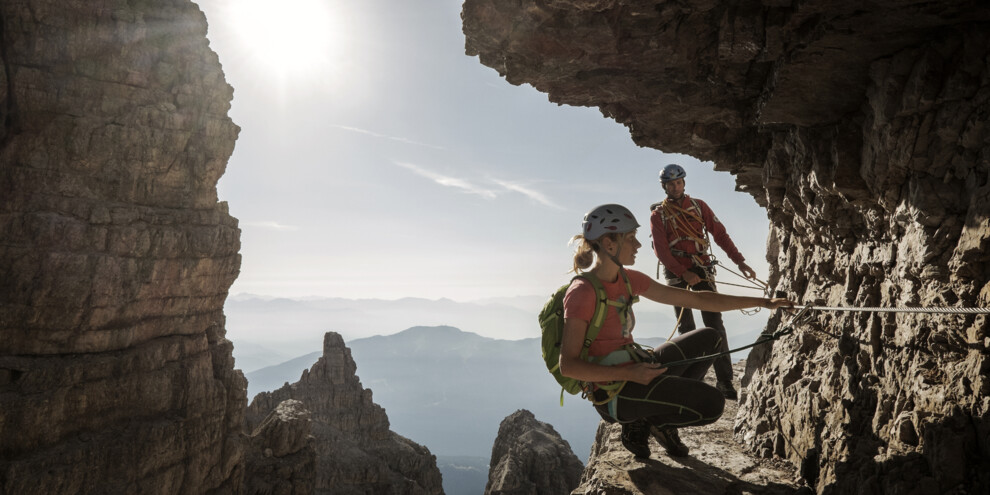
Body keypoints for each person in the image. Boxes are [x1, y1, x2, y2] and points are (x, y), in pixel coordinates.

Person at [560, 204, 793, 459]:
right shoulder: (582, 292)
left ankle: (654, 419)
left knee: (711, 338)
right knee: (712, 404)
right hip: (614, 393)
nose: (638, 245)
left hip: (636, 369)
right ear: (609, 243)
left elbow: (700, 300)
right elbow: (569, 366)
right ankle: (650, 421)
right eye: (631, 238)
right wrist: (628, 373)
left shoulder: (628, 279)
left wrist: (762, 302)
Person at [650, 163, 756, 400]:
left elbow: (720, 234)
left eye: (678, 182)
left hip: (702, 268)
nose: (675, 187)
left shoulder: (699, 207)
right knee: (687, 329)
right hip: (677, 274)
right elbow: (661, 251)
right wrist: (682, 272)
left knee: (714, 324)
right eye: (670, 184)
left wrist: (740, 262)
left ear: (684, 183)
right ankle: (690, 381)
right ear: (664, 186)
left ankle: (725, 381)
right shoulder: (658, 215)